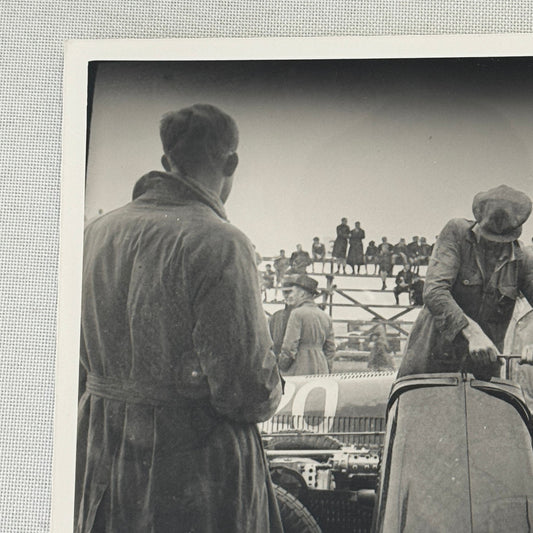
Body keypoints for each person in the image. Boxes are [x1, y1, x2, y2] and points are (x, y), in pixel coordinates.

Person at [76, 104, 283, 532]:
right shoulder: (220, 242)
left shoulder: (94, 233)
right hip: (192, 471)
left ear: (167, 160)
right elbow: (245, 390)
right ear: (231, 163)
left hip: (101, 455)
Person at [398, 185, 533, 381]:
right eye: (487, 237)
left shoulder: (523, 260)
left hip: (481, 371)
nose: (492, 245)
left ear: (514, 234)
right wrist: (472, 332)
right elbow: (435, 291)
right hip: (431, 362)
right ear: (478, 223)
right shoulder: (456, 233)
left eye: (500, 241)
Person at [278, 274, 336, 375]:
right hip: (322, 368)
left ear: (302, 294)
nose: (290, 296)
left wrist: (282, 366)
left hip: (301, 366)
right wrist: (327, 369)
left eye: (293, 292)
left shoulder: (297, 313)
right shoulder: (326, 316)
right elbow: (330, 349)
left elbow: (289, 347)